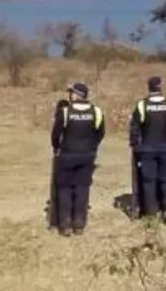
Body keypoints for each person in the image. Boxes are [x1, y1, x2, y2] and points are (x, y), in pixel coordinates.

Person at [50, 83, 105, 236]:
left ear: (78, 95)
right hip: (87, 156)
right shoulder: (97, 112)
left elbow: (56, 134)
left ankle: (65, 224)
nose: (70, 95)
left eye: (72, 93)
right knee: (82, 188)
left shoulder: (66, 112)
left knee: (65, 188)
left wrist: (57, 148)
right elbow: (100, 133)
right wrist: (92, 147)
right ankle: (79, 224)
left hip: (67, 155)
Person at [127, 76, 166, 226]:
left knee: (148, 182)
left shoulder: (142, 105)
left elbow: (135, 129)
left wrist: (135, 147)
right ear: (160, 87)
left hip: (146, 151)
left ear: (149, 88)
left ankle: (150, 214)